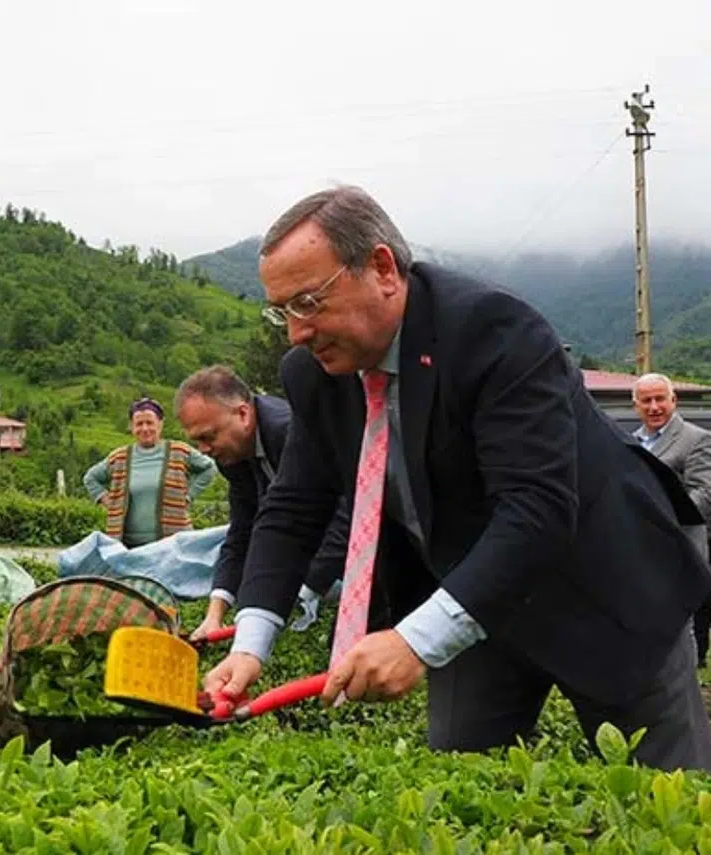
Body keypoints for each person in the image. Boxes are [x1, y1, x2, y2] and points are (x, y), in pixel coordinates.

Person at [203, 185, 711, 771]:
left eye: (309, 302)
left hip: (603, 581)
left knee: (662, 793)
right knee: (461, 782)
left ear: (383, 268)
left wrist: (415, 640)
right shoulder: (315, 375)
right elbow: (293, 508)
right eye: (282, 310)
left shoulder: (494, 331)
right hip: (474, 593)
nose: (296, 331)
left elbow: (536, 508)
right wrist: (250, 643)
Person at [173, 365, 351, 641]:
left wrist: (308, 585)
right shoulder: (233, 455)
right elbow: (243, 530)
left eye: (208, 436)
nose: (204, 450)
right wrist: (215, 614)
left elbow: (347, 508)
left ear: (243, 414)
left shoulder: (288, 430)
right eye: (197, 441)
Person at [633, 371, 711, 662]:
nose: (654, 407)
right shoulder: (631, 443)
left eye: (659, 399)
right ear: (636, 406)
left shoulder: (697, 439)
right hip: (641, 553)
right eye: (646, 401)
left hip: (679, 550)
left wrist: (660, 522)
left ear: (673, 400)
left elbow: (703, 495)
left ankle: (686, 696)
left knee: (681, 630)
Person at [83, 397, 217, 548]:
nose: (145, 429)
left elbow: (209, 468)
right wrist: (108, 500)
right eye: (139, 424)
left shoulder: (179, 451)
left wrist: (189, 496)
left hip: (172, 544)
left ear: (160, 424)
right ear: (131, 427)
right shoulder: (119, 457)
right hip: (127, 546)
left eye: (150, 423)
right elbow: (91, 478)